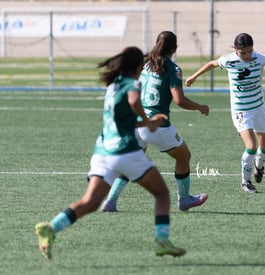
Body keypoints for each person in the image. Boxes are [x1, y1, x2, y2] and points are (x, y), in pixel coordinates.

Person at [34, 46, 185, 259]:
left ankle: (50, 228)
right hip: (125, 152)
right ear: (138, 67)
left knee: (91, 202)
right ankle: (162, 240)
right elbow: (133, 101)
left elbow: (124, 118)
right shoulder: (133, 84)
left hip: (102, 152)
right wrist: (150, 123)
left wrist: (145, 121)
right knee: (161, 193)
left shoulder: (113, 86)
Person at [101, 31, 209, 212]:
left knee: (132, 160)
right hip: (157, 126)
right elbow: (179, 100)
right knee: (184, 157)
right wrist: (200, 107)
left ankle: (110, 201)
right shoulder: (173, 69)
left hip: (136, 123)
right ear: (175, 49)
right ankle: (184, 199)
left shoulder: (143, 63)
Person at [186, 33, 265, 193]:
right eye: (243, 53)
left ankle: (259, 166)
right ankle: (245, 181)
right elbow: (211, 64)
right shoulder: (229, 60)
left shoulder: (260, 58)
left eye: (249, 51)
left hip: (259, 107)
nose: (247, 55)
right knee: (251, 146)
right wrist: (194, 77)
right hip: (241, 110)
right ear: (236, 50)